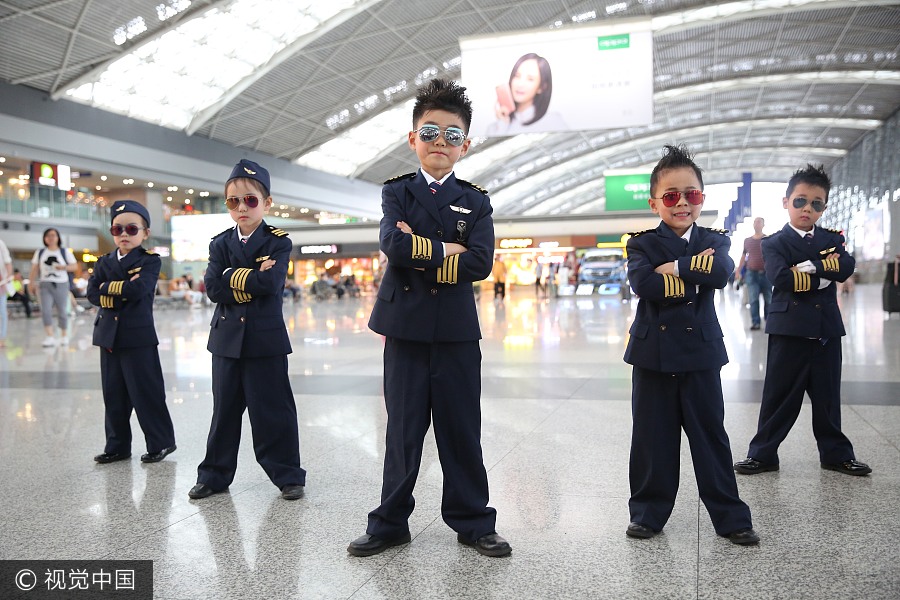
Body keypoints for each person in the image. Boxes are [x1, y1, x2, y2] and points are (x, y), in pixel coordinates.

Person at [348, 79, 511, 558]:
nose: (441, 142)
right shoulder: (396, 192)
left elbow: (480, 263)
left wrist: (420, 250)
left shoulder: (477, 200)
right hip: (405, 330)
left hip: (457, 332)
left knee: (462, 427)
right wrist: (447, 249)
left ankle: (473, 522)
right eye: (430, 131)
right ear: (412, 138)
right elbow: (393, 246)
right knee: (403, 429)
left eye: (452, 134)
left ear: (466, 143)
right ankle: (390, 522)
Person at [623, 144, 758, 546]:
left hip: (700, 354)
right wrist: (690, 271)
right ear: (655, 203)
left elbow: (720, 273)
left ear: (702, 198)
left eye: (691, 194)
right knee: (651, 437)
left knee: (710, 436)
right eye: (671, 196)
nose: (682, 202)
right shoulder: (641, 243)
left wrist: (675, 267)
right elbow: (643, 284)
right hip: (652, 356)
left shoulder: (716, 240)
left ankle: (731, 517)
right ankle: (647, 514)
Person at [734, 164, 871, 477]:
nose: (807, 208)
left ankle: (836, 455)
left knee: (827, 397)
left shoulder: (831, 237)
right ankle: (763, 454)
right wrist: (823, 270)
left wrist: (806, 268)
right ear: (786, 202)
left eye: (816, 203)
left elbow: (846, 267)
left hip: (826, 330)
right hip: (789, 330)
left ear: (823, 207)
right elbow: (781, 279)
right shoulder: (773, 243)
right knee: (778, 395)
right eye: (800, 201)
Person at [188, 159, 306, 502]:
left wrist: (231, 276)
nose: (242, 207)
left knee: (273, 410)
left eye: (250, 200)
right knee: (224, 411)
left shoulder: (278, 242)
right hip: (225, 340)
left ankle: (288, 475)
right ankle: (213, 475)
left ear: (267, 203)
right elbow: (213, 288)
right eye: (233, 201)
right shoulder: (220, 243)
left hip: (264, 340)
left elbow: (271, 284)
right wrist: (247, 276)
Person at [86, 200, 177, 465]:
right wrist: (122, 287)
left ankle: (161, 442)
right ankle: (117, 446)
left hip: (137, 337)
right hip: (108, 336)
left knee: (145, 392)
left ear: (145, 233)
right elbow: (91, 294)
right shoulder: (104, 261)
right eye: (117, 229)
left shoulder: (150, 261)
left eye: (131, 229)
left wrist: (107, 287)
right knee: (113, 394)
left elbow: (140, 290)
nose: (124, 234)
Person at [485, 53, 567, 136]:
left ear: (541, 87)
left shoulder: (553, 121)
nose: (520, 84)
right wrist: (502, 123)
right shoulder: (494, 128)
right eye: (517, 76)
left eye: (530, 79)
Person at [29, 227, 78, 347]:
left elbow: (75, 266)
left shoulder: (64, 252)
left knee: (62, 310)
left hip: (61, 283)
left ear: (58, 237)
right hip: (45, 284)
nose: (51, 238)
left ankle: (64, 335)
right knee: (45, 310)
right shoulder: (40, 252)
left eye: (53, 235)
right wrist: (31, 283)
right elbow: (34, 269)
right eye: (48, 236)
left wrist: (64, 267)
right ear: (44, 238)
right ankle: (50, 336)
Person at [735, 217, 772, 330]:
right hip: (751, 274)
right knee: (753, 299)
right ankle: (756, 322)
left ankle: (769, 321)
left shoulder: (768, 239)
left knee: (768, 299)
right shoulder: (747, 241)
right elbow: (743, 256)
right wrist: (738, 271)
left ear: (763, 225)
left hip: (766, 274)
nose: (757, 224)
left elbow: (773, 256)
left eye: (759, 222)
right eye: (755, 222)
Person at [0, 237, 11, 348]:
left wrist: (7, 277)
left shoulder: (1, 243)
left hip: (1, 283)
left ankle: (2, 338)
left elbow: (8, 262)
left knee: (2, 311)